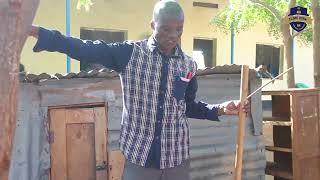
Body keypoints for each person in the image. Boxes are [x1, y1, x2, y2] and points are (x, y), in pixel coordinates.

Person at [29, 1, 249, 179]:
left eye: (179, 29)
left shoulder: (188, 65)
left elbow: (187, 106)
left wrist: (220, 108)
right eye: (166, 29)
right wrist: (41, 34)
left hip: (177, 160)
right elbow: (87, 49)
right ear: (153, 25)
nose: (173, 35)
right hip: (139, 160)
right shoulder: (130, 55)